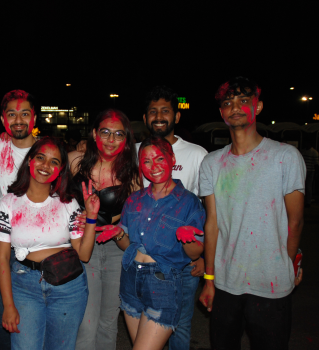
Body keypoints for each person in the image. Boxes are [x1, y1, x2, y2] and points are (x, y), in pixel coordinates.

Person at [199, 77, 305, 350]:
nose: (235, 107)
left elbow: (295, 220)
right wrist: (208, 280)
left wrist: (287, 264)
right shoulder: (212, 163)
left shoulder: (286, 157)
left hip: (271, 283)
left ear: (257, 108)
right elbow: (212, 224)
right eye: (227, 103)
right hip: (225, 283)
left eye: (243, 101)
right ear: (221, 113)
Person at [96, 135, 205, 350]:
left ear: (172, 159)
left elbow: (194, 253)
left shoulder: (188, 202)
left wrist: (187, 238)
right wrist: (119, 234)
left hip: (162, 284)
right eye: (146, 161)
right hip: (130, 281)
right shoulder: (134, 199)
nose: (153, 166)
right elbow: (129, 246)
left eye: (159, 159)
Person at [0, 137, 98, 349]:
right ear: (30, 160)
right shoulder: (9, 202)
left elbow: (84, 255)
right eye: (40, 158)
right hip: (25, 286)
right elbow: (2, 258)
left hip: (68, 287)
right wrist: (8, 304)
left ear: (60, 169)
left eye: (54, 162)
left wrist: (92, 217)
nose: (45, 166)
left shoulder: (67, 202)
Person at [137, 86, 208, 350]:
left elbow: (208, 212)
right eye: (152, 111)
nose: (158, 116)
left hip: (182, 260)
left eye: (165, 111)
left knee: (179, 327)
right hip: (144, 260)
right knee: (146, 323)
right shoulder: (135, 151)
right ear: (144, 118)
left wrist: (202, 256)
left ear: (176, 117)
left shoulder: (197, 154)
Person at [68, 109, 139, 350]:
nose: (111, 140)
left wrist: (117, 227)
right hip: (82, 247)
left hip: (116, 249)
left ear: (126, 139)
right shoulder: (75, 161)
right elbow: (38, 161)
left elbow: (137, 217)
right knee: (86, 323)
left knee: (109, 321)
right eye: (105, 132)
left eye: (118, 134)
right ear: (94, 133)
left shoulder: (133, 174)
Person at [300, 140, 318, 207]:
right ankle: (305, 201)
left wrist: (316, 173)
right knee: (304, 186)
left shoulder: (314, 152)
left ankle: (308, 201)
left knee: (308, 186)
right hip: (304, 170)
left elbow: (316, 164)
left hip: (310, 171)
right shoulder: (303, 151)